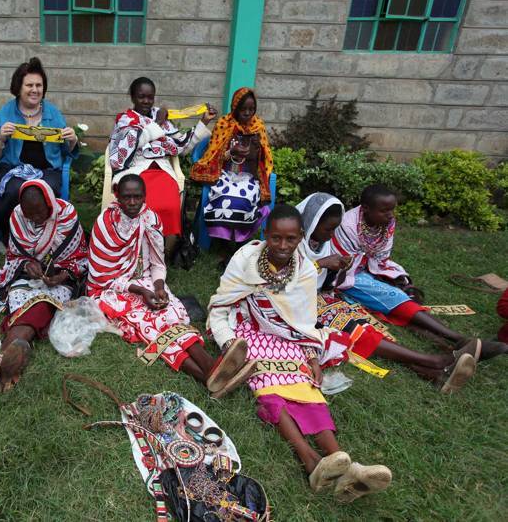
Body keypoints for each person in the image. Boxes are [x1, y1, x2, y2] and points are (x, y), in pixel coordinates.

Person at [207, 205, 392, 503]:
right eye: (276, 238)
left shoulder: (304, 267)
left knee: (306, 387)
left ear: (300, 238)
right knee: (268, 385)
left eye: (291, 239)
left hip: (288, 335)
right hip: (246, 330)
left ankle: (344, 462)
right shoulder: (246, 258)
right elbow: (220, 306)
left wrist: (312, 358)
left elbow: (304, 320)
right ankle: (310, 461)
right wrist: (230, 344)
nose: (283, 246)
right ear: (266, 235)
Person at [297, 192, 480, 393]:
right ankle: (432, 361)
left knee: (362, 323)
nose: (332, 234)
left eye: (334, 229)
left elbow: (328, 285)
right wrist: (322, 264)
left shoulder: (322, 242)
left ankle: (426, 369)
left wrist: (339, 269)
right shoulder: (290, 240)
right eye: (328, 229)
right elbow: (283, 280)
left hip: (320, 298)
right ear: (311, 222)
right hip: (294, 305)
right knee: (351, 329)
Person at [87, 174, 246, 393]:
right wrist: (142, 291)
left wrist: (159, 286)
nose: (132, 203)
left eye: (137, 197)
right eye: (127, 197)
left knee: (169, 312)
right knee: (148, 322)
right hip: (111, 289)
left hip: (144, 281)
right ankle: (208, 371)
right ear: (117, 196)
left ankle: (211, 372)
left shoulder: (150, 219)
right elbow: (102, 277)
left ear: (144, 196)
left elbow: (157, 262)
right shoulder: (105, 224)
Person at [332, 185, 490, 358]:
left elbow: (380, 257)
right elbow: (344, 268)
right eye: (384, 211)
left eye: (392, 209)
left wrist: (389, 276)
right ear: (366, 209)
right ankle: (456, 339)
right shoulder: (347, 225)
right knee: (393, 295)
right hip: (345, 275)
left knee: (398, 286)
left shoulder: (386, 223)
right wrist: (377, 280)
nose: (390, 215)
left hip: (367, 265)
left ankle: (456, 342)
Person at [0, 179, 88, 392]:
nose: (36, 219)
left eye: (40, 213)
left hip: (58, 282)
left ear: (49, 202)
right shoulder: (18, 217)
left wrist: (63, 275)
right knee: (22, 304)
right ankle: (9, 363)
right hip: (26, 278)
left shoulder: (67, 216)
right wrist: (27, 264)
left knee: (40, 306)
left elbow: (81, 256)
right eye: (31, 215)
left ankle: (0, 359)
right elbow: (14, 256)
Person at [107, 77, 217, 252]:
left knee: (171, 206)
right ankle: (136, 250)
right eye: (141, 96)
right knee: (145, 206)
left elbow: (182, 145)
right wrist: (157, 123)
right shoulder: (125, 119)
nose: (146, 101)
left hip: (163, 171)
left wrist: (204, 121)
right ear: (133, 97)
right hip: (137, 171)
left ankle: (162, 253)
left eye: (150, 97)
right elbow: (122, 152)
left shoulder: (161, 116)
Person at [0, 57, 78, 242]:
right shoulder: (6, 113)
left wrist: (73, 140)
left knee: (46, 189)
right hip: (14, 170)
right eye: (29, 85)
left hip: (47, 170)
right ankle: (10, 238)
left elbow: (67, 152)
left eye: (39, 85)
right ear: (18, 87)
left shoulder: (53, 113)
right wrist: (0, 137)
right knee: (13, 190)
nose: (35, 90)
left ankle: (48, 239)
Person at [190, 88, 274, 267]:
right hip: (224, 173)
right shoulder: (223, 123)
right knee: (226, 198)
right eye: (243, 109)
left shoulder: (258, 126)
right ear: (235, 107)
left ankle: (237, 244)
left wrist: (253, 152)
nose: (247, 113)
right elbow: (212, 157)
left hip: (248, 176)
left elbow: (264, 159)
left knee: (245, 199)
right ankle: (223, 243)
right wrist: (231, 152)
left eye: (251, 109)